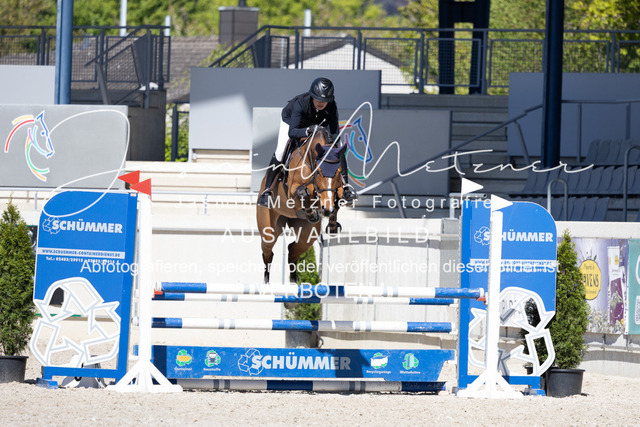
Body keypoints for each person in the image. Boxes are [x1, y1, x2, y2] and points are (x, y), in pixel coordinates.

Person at [257, 77, 357, 207]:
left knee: (338, 149)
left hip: (318, 126)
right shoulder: (300, 103)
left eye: (325, 101)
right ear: (312, 96)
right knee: (281, 150)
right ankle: (267, 191)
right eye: (318, 99)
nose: (321, 103)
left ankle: (346, 187)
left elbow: (334, 133)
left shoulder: (332, 106)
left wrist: (332, 145)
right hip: (292, 123)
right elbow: (292, 132)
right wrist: (308, 130)